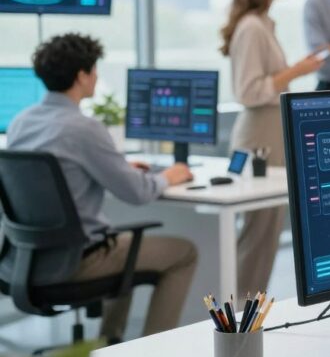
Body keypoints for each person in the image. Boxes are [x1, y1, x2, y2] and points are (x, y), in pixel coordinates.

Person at [7, 33, 198, 341]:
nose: (96, 76)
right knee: (183, 253)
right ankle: (159, 346)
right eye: (94, 69)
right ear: (81, 75)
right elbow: (136, 193)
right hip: (77, 261)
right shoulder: (85, 129)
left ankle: (111, 344)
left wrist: (118, 169)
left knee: (119, 243)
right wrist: (169, 176)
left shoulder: (21, 122)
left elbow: (57, 175)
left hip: (29, 260)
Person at [220, 0, 323, 295]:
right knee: (258, 233)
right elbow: (248, 91)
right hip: (258, 138)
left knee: (266, 234)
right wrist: (297, 71)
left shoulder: (262, 24)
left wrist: (293, 70)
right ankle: (237, 321)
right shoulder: (251, 28)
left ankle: (248, 315)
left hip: (270, 134)